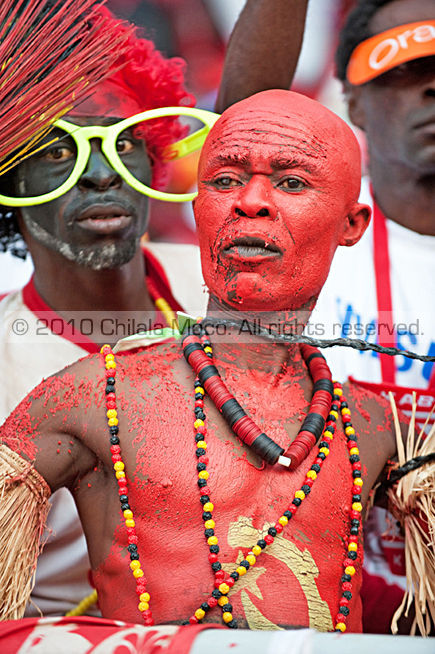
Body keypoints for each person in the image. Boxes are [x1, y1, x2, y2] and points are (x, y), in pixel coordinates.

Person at [1, 90, 432, 633]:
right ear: (196, 207)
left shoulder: (381, 430)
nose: (251, 201)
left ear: (352, 225)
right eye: (225, 180)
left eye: (292, 182)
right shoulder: (88, 401)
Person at [214, 0, 435, 633]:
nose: (431, 85)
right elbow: (244, 128)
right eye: (402, 69)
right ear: (354, 105)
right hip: (328, 625)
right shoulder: (308, 243)